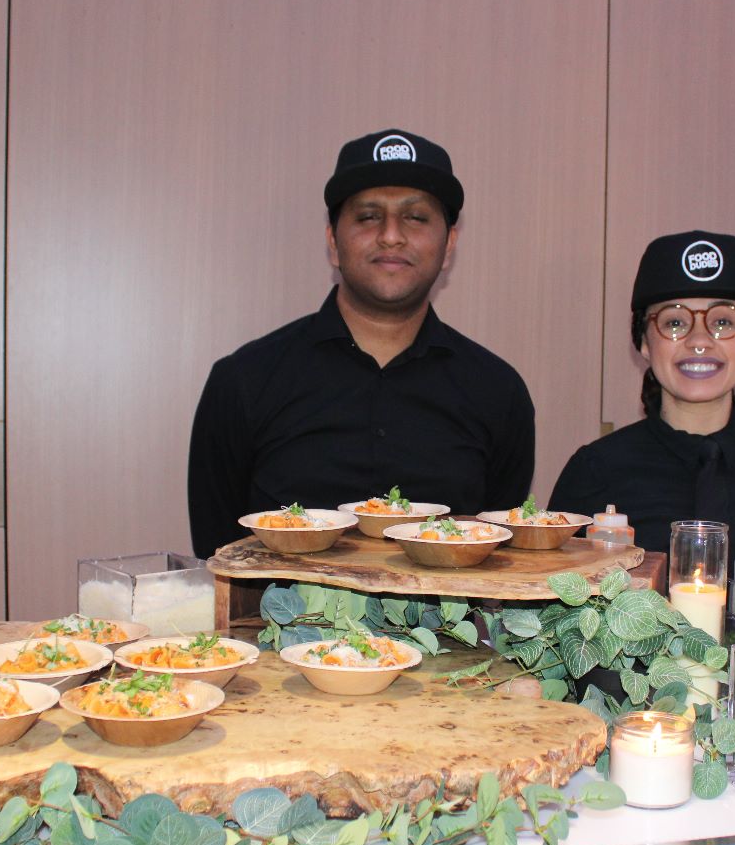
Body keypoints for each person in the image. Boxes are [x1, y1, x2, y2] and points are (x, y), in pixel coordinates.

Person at [187, 128, 535, 558]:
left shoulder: (498, 393)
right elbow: (219, 558)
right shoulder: (244, 381)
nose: (391, 235)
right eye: (369, 216)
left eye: (416, 217)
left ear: (449, 246)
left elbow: (502, 559)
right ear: (333, 242)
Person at [549, 230, 735, 563]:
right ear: (644, 342)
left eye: (723, 321)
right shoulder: (595, 470)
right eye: (675, 322)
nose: (699, 340)